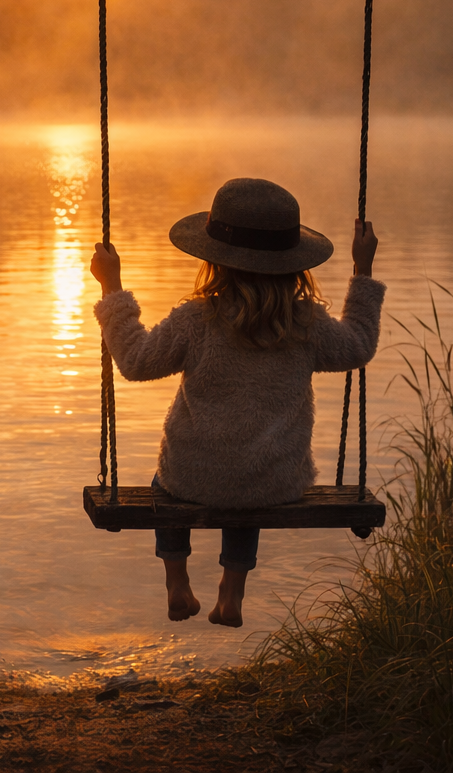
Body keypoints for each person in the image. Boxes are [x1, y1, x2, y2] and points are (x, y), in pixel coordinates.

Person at [90, 177, 383, 628]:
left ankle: (177, 581)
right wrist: (362, 271)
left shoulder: (197, 319)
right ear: (293, 263)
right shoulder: (306, 323)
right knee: (252, 473)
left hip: (191, 478)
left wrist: (112, 286)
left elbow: (135, 360)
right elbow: (360, 344)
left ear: (215, 261)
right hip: (275, 483)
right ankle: (232, 592)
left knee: (164, 483)